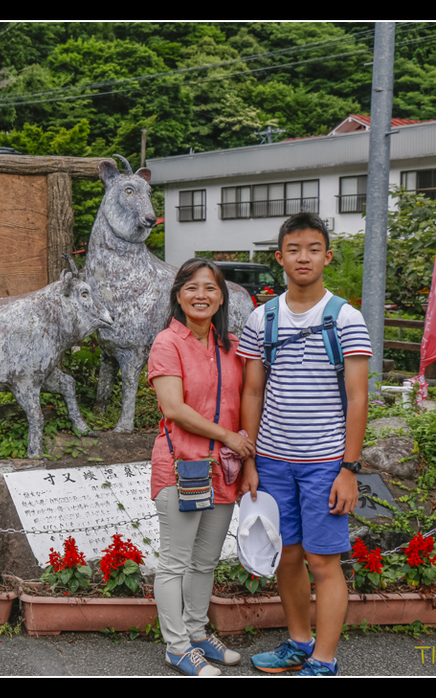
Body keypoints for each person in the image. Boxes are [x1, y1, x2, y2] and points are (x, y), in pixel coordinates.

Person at [237, 213, 372, 677]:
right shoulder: (263, 317)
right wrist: (250, 458)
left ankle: (324, 659)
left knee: (323, 560)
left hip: (325, 462)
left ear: (327, 256)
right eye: (293, 249)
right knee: (287, 554)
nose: (303, 257)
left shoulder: (345, 318)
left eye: (313, 248)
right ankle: (298, 643)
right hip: (272, 459)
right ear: (279, 258)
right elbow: (252, 391)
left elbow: (358, 398)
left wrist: (349, 468)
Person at [148, 258, 256, 677]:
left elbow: (245, 405)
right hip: (182, 466)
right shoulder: (166, 343)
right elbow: (173, 407)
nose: (201, 295)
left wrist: (246, 460)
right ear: (178, 294)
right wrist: (229, 437)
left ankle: (195, 633)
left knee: (205, 561)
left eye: (210, 288)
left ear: (222, 297)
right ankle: (176, 646)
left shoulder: (230, 346)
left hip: (223, 470)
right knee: (175, 562)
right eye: (192, 287)